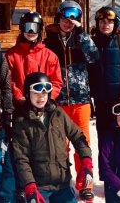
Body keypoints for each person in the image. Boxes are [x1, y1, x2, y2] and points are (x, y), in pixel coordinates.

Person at [12, 72, 94, 203]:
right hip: (39, 188)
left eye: (44, 93)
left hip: (62, 185)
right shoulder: (22, 122)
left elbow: (78, 136)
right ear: (28, 94)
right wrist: (30, 186)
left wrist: (86, 161)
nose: (41, 97)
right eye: (36, 93)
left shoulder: (58, 114)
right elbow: (21, 158)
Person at [43, 0, 98, 194]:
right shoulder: (48, 40)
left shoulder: (81, 39)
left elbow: (94, 57)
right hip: (58, 100)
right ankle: (63, 182)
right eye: (64, 19)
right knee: (59, 145)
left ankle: (86, 183)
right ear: (58, 19)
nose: (68, 23)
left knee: (82, 142)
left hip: (80, 99)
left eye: (72, 20)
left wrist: (82, 34)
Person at [89, 6, 120, 141]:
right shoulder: (92, 43)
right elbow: (88, 71)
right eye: (102, 22)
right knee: (104, 139)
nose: (105, 25)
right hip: (101, 101)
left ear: (115, 24)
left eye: (109, 22)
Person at [6, 11, 63, 107]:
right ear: (22, 29)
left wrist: (48, 98)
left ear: (40, 30)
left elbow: (56, 81)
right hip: (21, 106)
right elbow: (8, 80)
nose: (31, 32)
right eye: (28, 28)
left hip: (43, 105)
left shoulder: (50, 56)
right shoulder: (12, 55)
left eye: (34, 28)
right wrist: (19, 97)